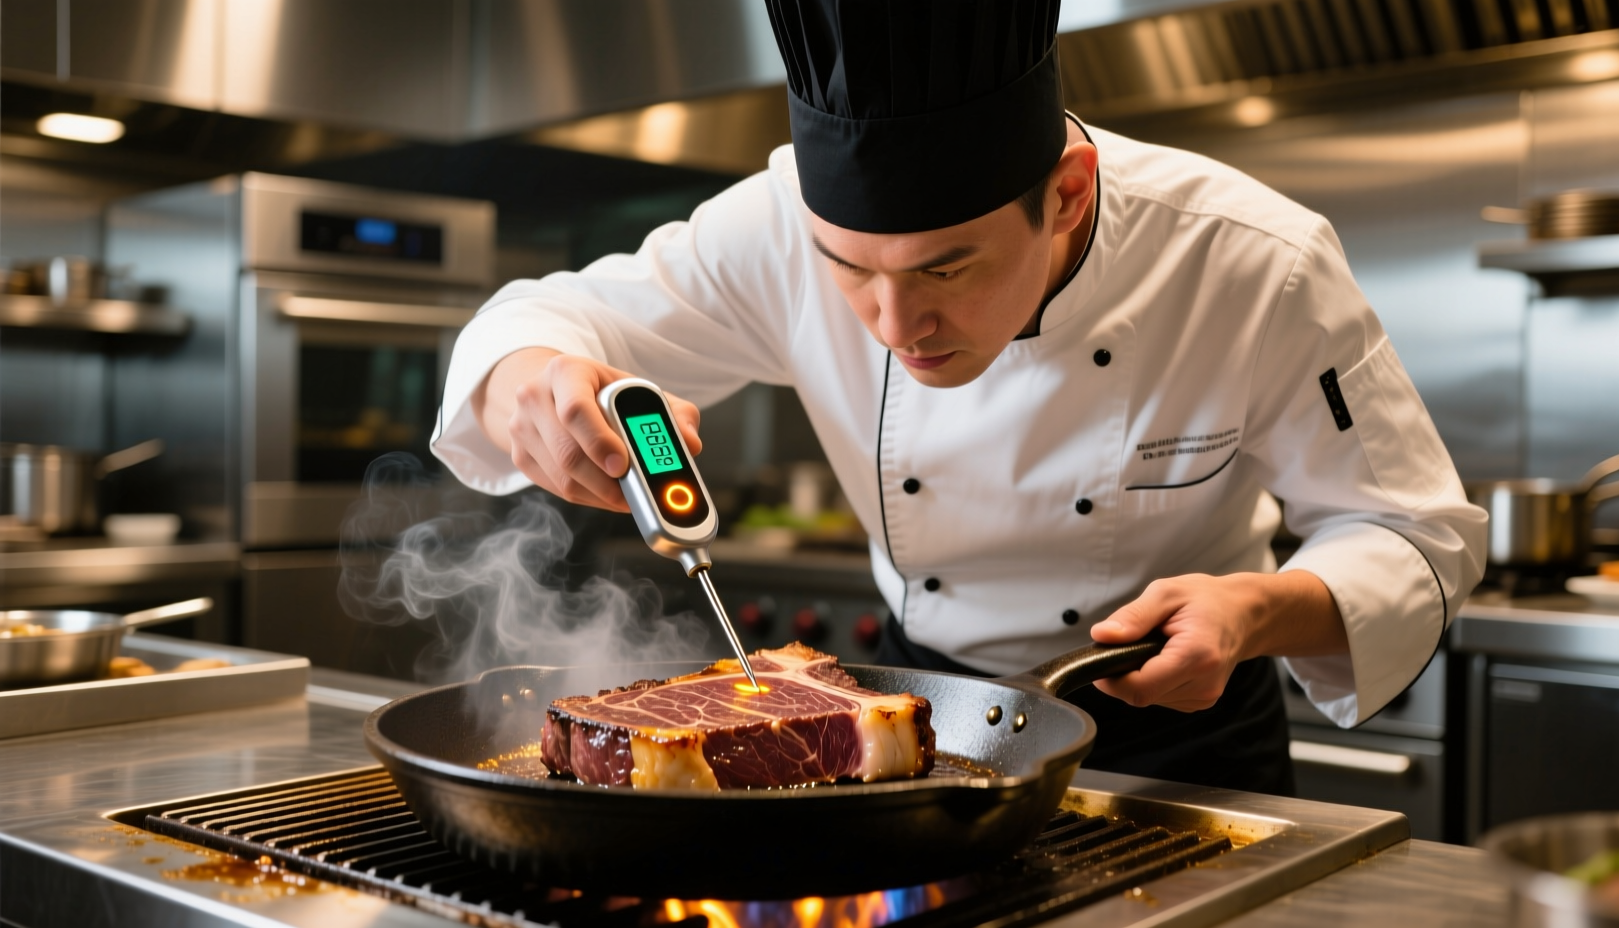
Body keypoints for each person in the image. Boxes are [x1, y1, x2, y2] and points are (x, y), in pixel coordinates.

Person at [432, 0, 1486, 794]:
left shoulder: (1252, 262)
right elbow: (536, 319)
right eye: (848, 270)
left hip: (1181, 750)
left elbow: (1411, 533)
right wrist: (527, 380)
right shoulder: (772, 229)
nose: (893, 326)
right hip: (921, 730)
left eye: (945, 270)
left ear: (1065, 193)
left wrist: (1252, 611)